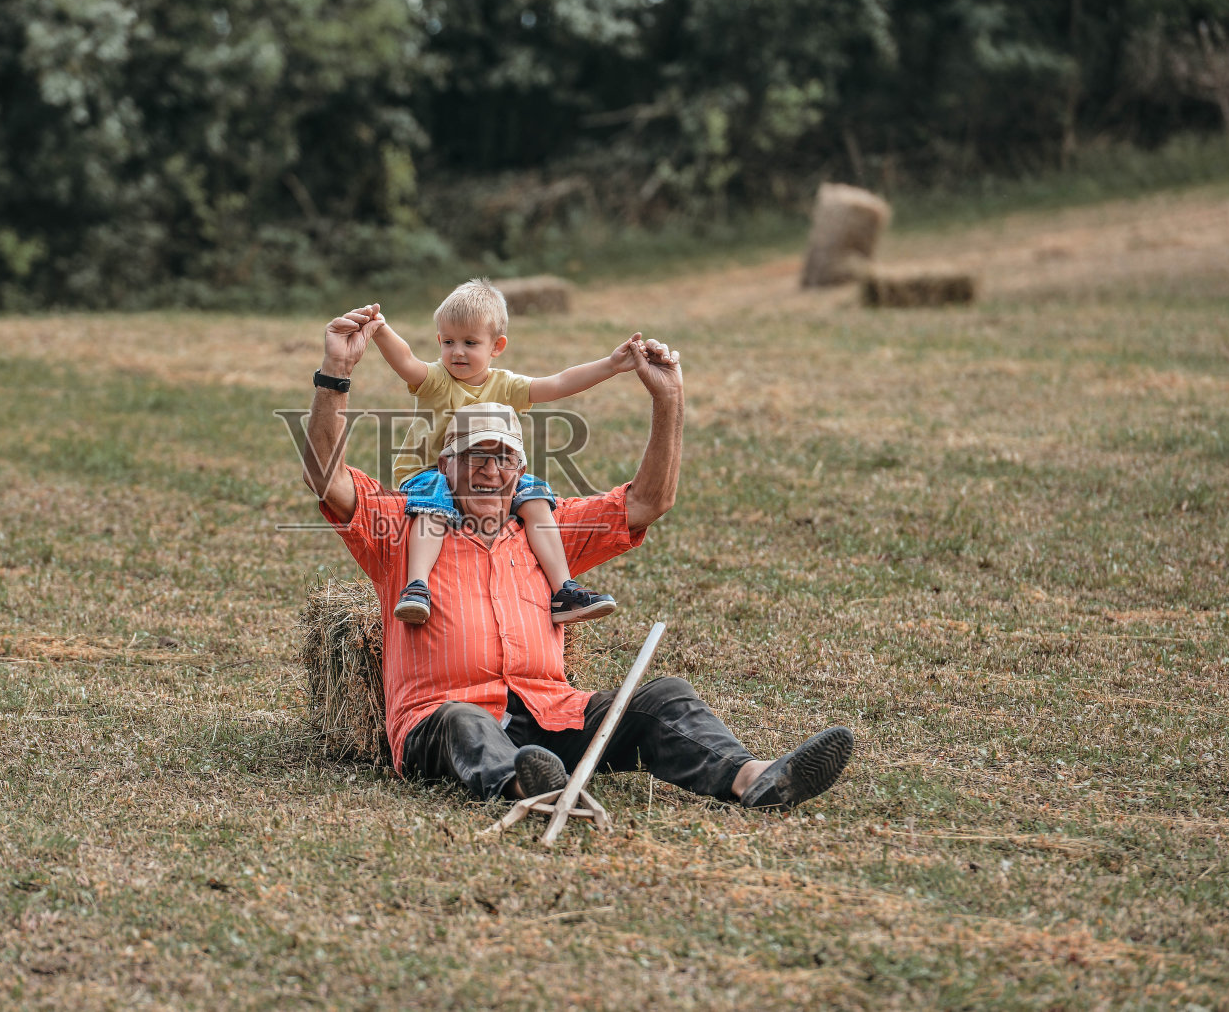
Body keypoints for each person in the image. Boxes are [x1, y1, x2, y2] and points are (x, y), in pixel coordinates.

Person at [300, 305, 855, 809]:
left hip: (552, 712)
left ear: (520, 472)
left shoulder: (545, 526)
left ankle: (754, 777)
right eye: (473, 458)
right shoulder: (405, 528)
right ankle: (522, 784)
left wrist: (668, 400)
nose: (489, 470)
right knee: (467, 722)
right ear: (444, 468)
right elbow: (328, 480)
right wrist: (335, 376)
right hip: (444, 717)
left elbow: (647, 501)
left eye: (502, 459)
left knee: (665, 698)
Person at [364, 278, 641, 626]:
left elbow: (557, 383)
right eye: (448, 342)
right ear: (438, 341)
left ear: (497, 346)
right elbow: (405, 361)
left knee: (536, 494)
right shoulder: (436, 379)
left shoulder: (505, 384)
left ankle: (563, 590)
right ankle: (417, 587)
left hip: (488, 478)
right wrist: (380, 329)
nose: (457, 352)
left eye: (470, 342)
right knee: (436, 499)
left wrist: (611, 365)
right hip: (428, 472)